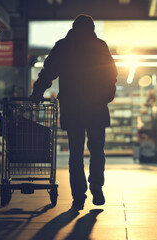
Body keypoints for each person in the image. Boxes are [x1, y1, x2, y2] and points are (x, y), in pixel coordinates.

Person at [31, 14, 117, 210]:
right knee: (96, 149)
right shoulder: (100, 46)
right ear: (92, 29)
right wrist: (106, 96)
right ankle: (96, 185)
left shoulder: (63, 45)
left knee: (75, 153)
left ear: (73, 28)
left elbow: (48, 71)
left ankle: (79, 195)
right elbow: (111, 74)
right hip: (96, 107)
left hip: (72, 107)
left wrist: (37, 92)